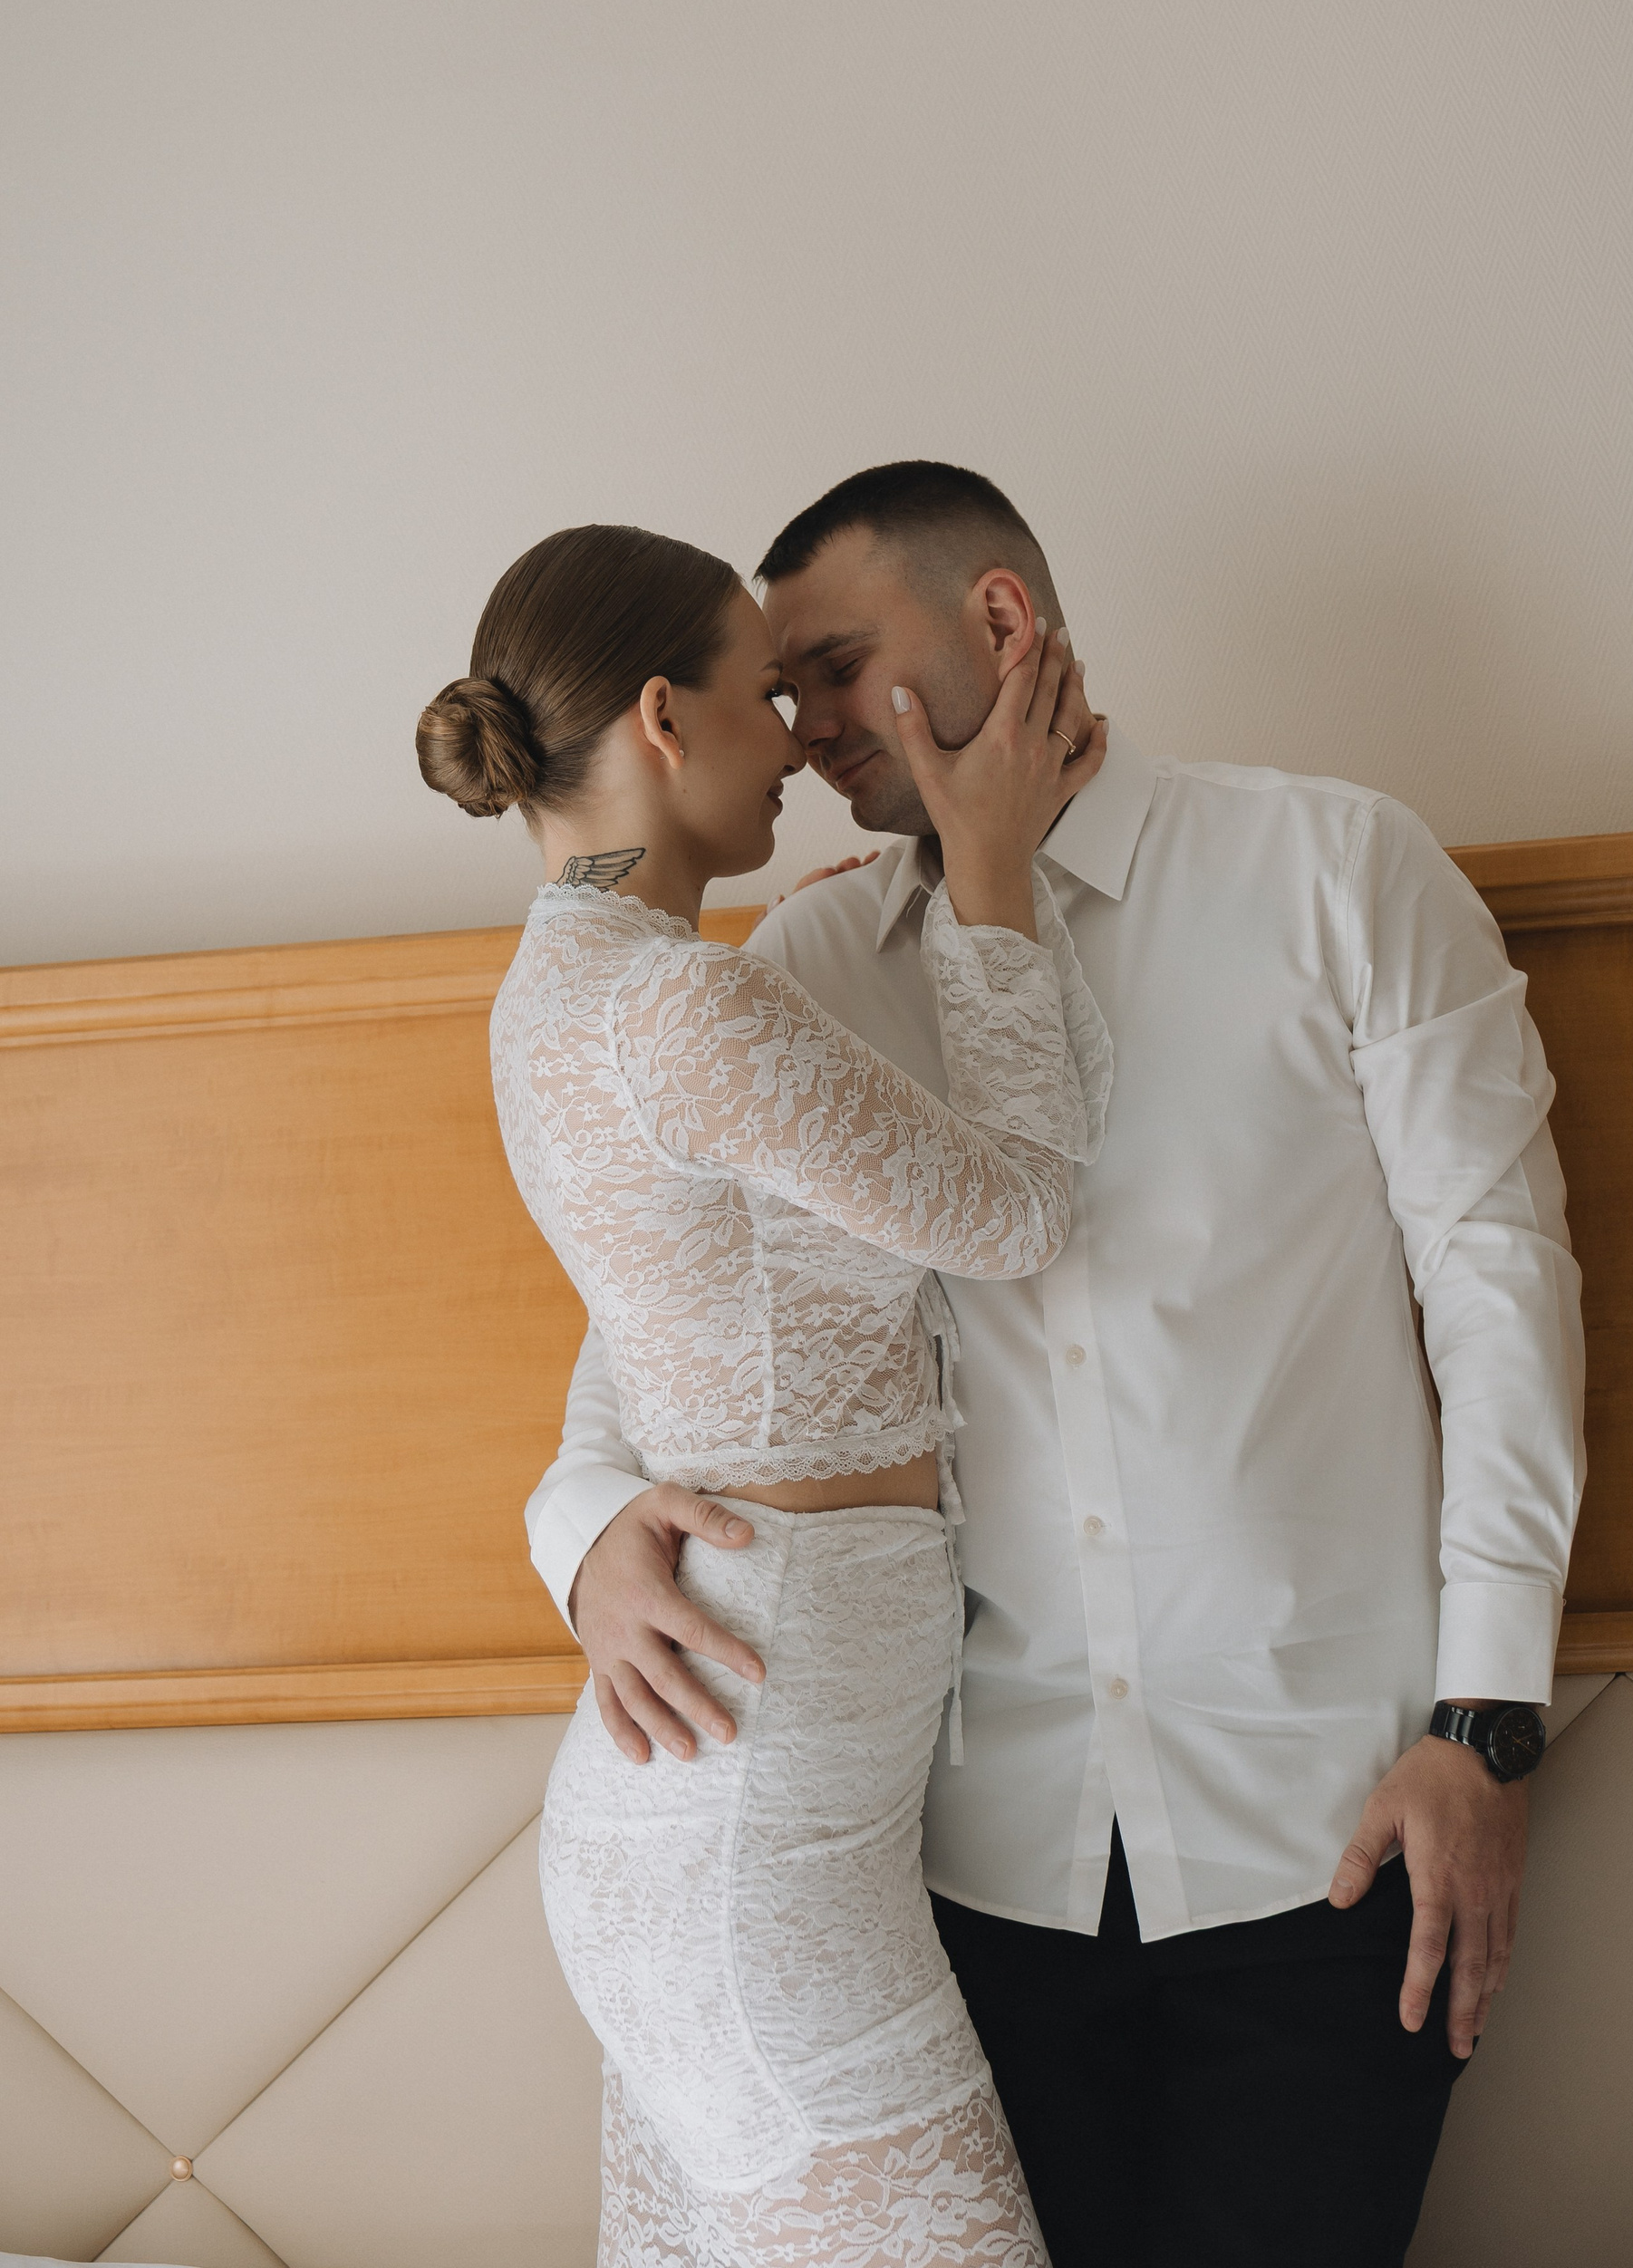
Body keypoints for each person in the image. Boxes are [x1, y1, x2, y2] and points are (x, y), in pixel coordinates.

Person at [541, 464, 1587, 2268]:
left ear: (1003, 620)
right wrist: (581, 1535)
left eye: (835, 669)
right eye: (776, 689)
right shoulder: (803, 967)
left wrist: (1485, 1731)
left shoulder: (1337, 868)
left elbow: (1503, 1287)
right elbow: (655, 1321)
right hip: (963, 1866)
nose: (802, 732)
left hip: (1332, 1839)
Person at [417, 519, 1113, 2267]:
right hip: (750, 1841)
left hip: (717, 1815)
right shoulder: (682, 1013)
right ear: (666, 719)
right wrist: (992, 878)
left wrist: (582, 1526)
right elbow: (1021, 1211)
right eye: (763, 693)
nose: (799, 740)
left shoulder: (564, 995)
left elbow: (670, 1311)